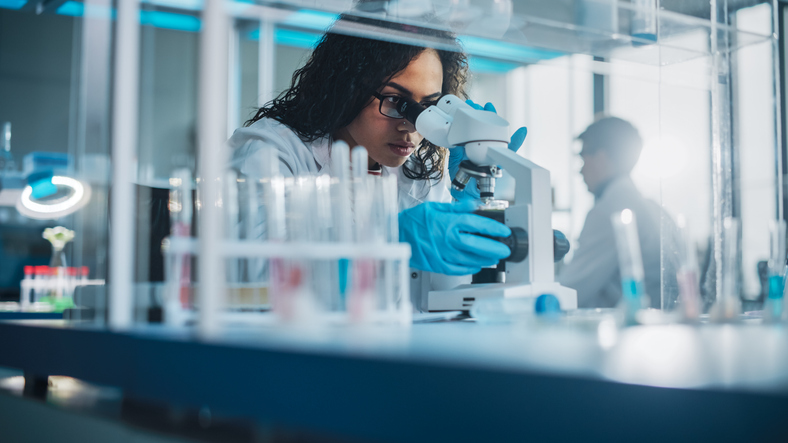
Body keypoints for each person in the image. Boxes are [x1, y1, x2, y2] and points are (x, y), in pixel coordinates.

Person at [226, 16, 526, 310]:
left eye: (429, 107)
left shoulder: (419, 175)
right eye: (397, 102)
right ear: (345, 87)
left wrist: (467, 209)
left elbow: (444, 299)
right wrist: (391, 239)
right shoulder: (272, 151)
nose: (411, 127)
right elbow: (259, 282)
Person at [558, 117, 678, 309]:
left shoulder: (610, 211)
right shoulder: (655, 209)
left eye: (583, 156)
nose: (580, 170)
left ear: (602, 157)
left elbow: (569, 293)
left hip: (632, 333)